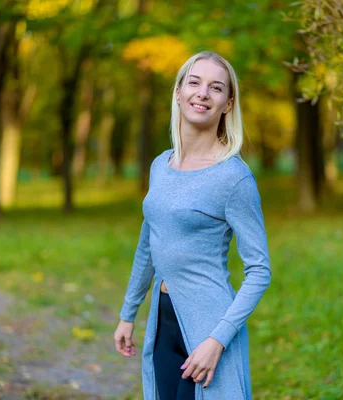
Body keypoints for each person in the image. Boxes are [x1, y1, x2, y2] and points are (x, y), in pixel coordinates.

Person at [114, 51, 271, 400]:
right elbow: (147, 246)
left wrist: (217, 341)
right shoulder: (160, 166)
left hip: (209, 326)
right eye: (195, 82)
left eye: (216, 88)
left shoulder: (233, 177)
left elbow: (260, 270)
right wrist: (129, 313)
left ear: (227, 104)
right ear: (178, 92)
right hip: (162, 319)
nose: (202, 93)